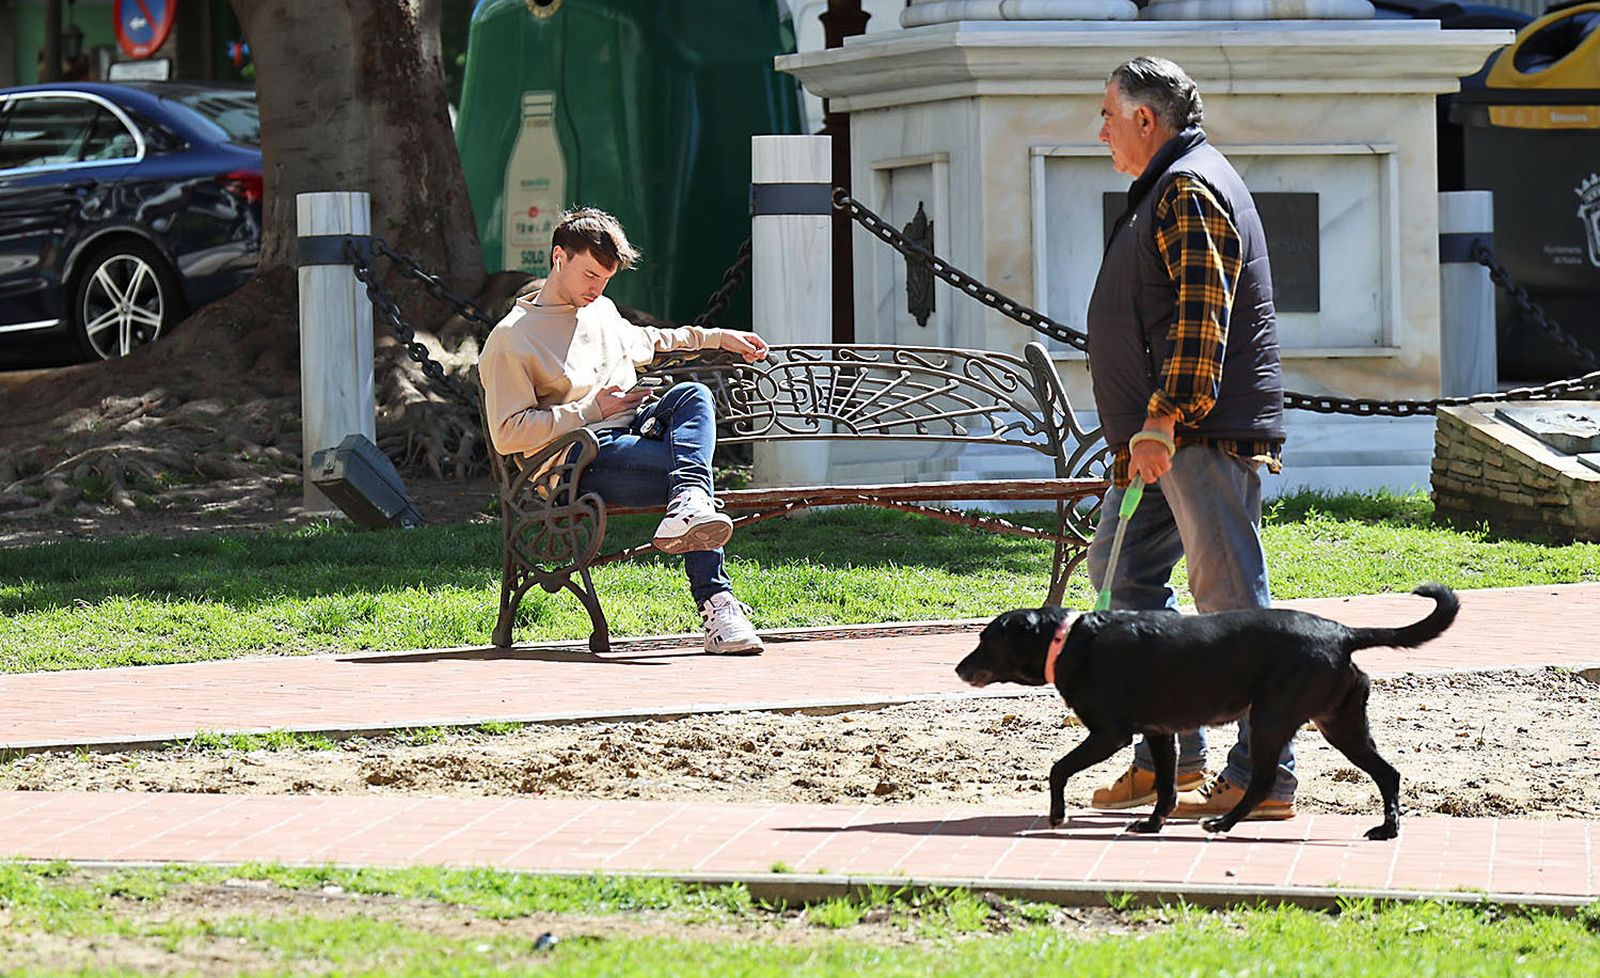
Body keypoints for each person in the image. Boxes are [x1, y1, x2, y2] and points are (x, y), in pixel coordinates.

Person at [1083, 57, 1295, 820]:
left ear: (1147, 119)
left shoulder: (1188, 186)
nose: (1099, 128)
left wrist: (1164, 418)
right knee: (1121, 578)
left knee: (1233, 602)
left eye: (1108, 113)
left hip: (1194, 435)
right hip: (1162, 440)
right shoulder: (1168, 184)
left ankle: (1266, 775)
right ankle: (1167, 756)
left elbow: (1203, 315)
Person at [479, 207, 770, 654]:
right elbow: (508, 433)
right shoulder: (512, 338)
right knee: (691, 476)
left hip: (633, 433)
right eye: (590, 275)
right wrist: (592, 409)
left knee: (692, 397)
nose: (598, 289)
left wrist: (718, 337)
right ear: (559, 257)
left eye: (606, 279)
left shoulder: (601, 312)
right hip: (578, 465)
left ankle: (689, 507)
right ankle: (717, 602)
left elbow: (654, 341)